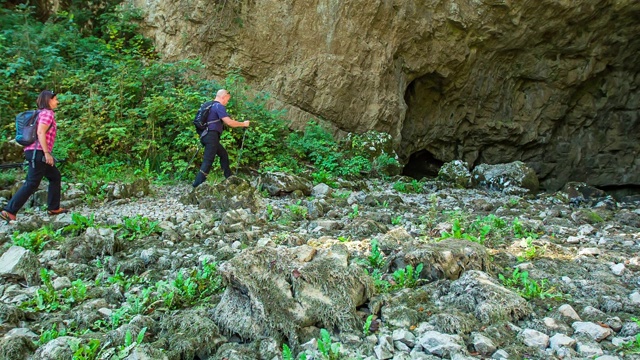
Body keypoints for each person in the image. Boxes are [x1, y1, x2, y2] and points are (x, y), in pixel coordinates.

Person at [0, 90, 68, 222]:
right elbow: (41, 133)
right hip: (38, 152)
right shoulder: (47, 114)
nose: (57, 102)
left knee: (54, 176)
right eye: (55, 99)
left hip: (36, 151)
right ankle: (9, 211)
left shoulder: (41, 113)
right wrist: (47, 153)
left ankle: (53, 207)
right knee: (32, 182)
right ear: (49, 100)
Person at [192, 89, 250, 187]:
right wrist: (243, 124)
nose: (227, 102)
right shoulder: (219, 106)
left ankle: (229, 177)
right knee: (208, 160)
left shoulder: (210, 106)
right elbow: (229, 122)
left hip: (206, 136)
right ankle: (197, 185)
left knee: (223, 154)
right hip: (211, 136)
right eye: (227, 99)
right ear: (223, 97)